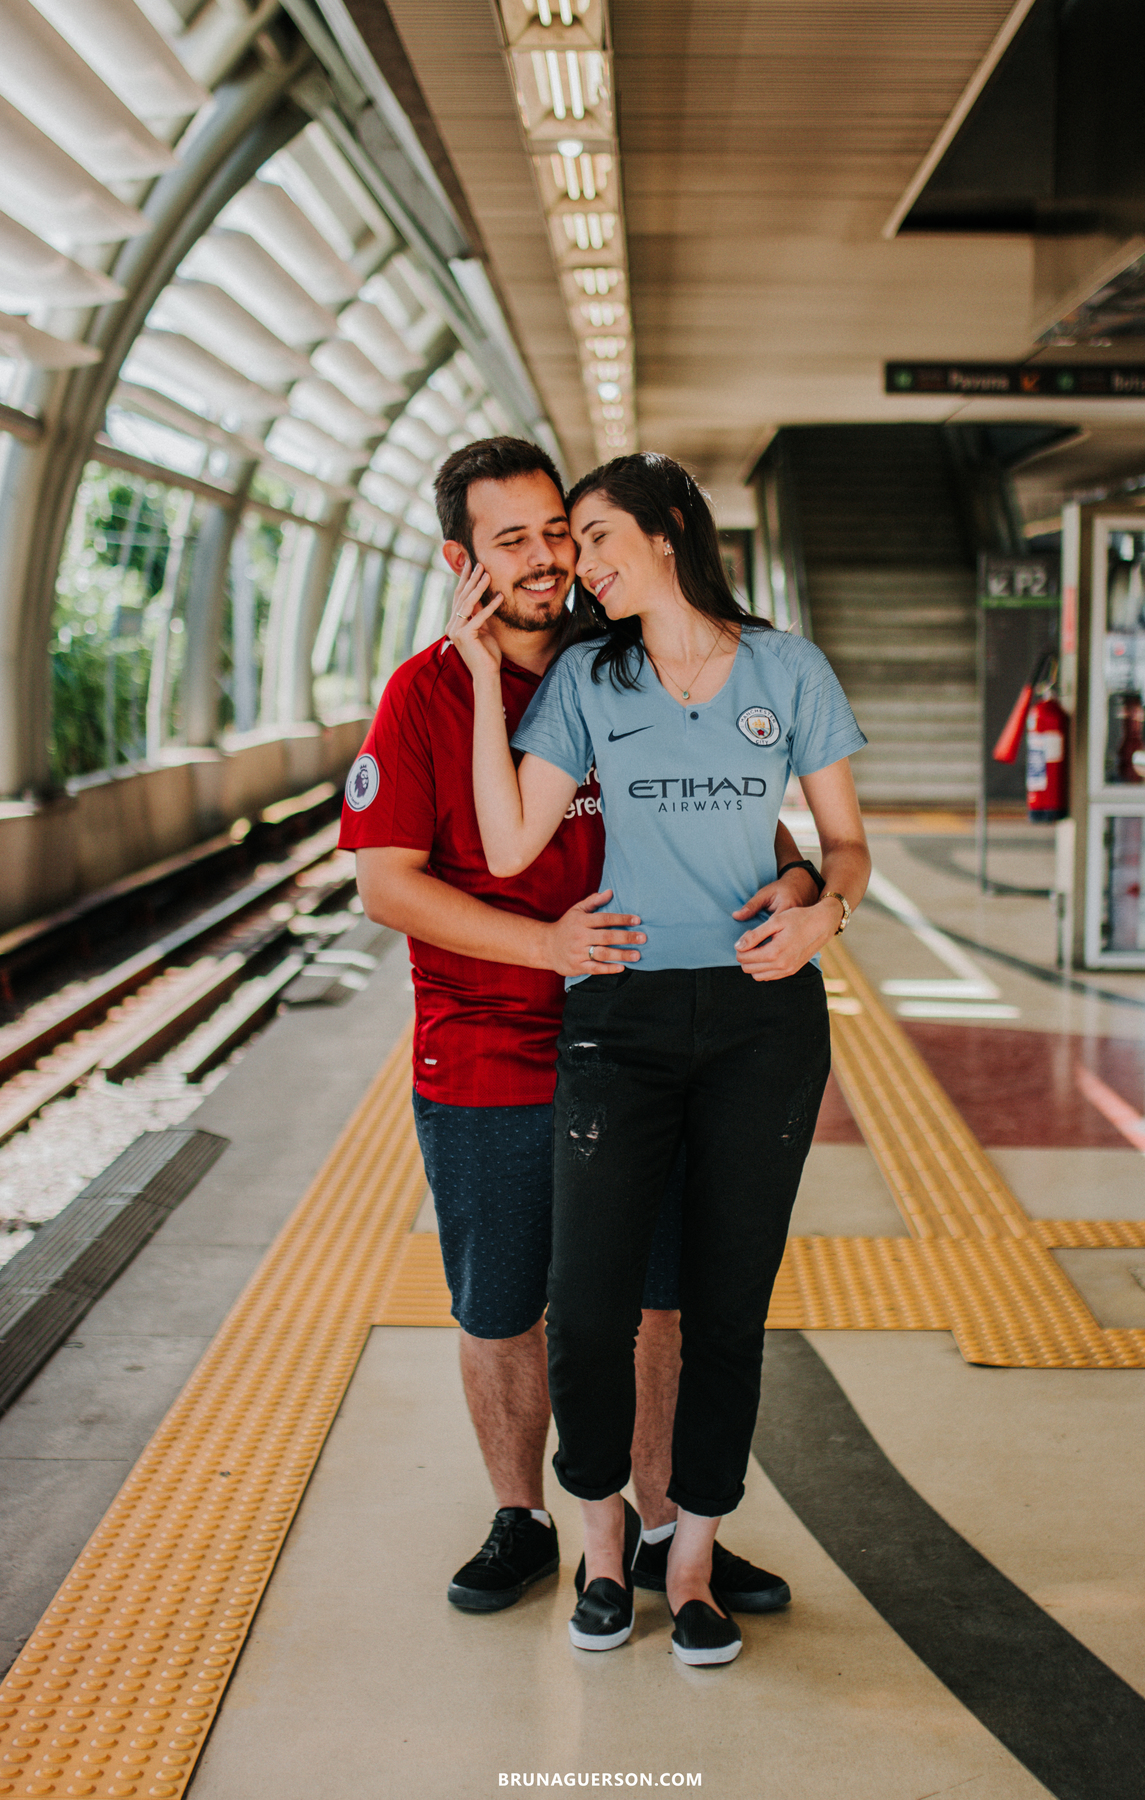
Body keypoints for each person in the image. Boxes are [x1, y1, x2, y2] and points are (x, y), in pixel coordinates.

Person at [342, 437, 815, 1618]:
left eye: (559, 530)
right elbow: (388, 885)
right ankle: (524, 1517)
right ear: (461, 559)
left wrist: (801, 879)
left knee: (658, 1301)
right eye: (512, 541)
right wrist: (542, 948)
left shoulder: (630, 661)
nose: (549, 557)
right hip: (489, 1043)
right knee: (504, 1300)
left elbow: (731, 804)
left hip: (649, 1036)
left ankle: (660, 1533)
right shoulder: (425, 695)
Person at [451, 451, 870, 1666]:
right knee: (587, 1305)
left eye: (591, 534)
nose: (577, 562)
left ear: (670, 528)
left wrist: (823, 913)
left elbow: (845, 843)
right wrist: (484, 680)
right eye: (571, 543)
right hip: (619, 1018)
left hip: (760, 1021)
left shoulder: (787, 668)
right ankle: (599, 1543)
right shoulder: (589, 674)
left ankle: (688, 1560)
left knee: (727, 1308)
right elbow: (512, 835)